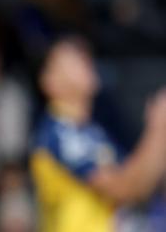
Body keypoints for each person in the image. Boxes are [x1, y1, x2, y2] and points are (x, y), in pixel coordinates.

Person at [30, 36, 166, 232]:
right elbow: (125, 189)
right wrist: (158, 127)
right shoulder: (59, 133)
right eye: (72, 59)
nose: (85, 62)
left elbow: (139, 184)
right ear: (49, 82)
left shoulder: (91, 131)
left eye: (84, 57)